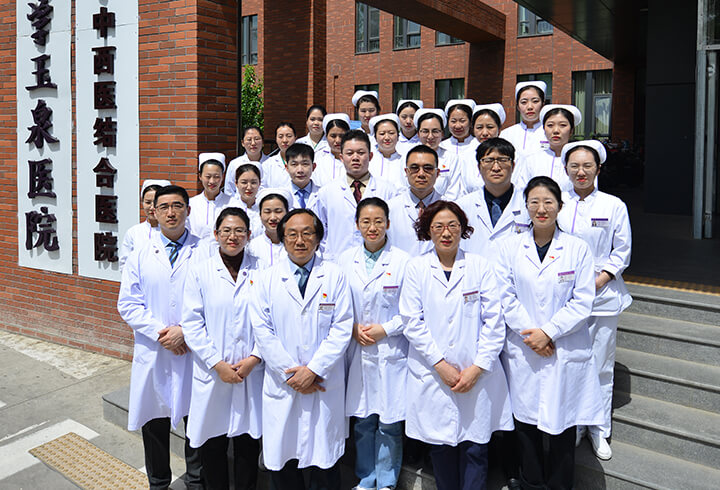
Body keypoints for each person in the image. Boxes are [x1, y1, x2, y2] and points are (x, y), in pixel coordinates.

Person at [495, 176, 604, 490]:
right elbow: (505, 296)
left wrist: (549, 332)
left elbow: (583, 301)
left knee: (562, 424)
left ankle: (560, 485)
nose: (541, 209)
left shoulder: (577, 248)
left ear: (560, 205)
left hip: (562, 346)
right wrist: (533, 336)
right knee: (526, 425)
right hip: (525, 347)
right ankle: (531, 483)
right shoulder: (509, 248)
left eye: (548, 202)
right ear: (526, 206)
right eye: (534, 202)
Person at [400, 200, 513, 490]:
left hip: (476, 372)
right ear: (428, 230)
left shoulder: (480, 266)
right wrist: (440, 365)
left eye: (453, 225)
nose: (446, 232)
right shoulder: (416, 268)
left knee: (476, 447)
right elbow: (412, 321)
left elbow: (494, 320)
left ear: (463, 229)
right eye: (438, 226)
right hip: (433, 373)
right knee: (441, 447)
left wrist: (478, 367)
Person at [250, 209, 353, 490]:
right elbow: (262, 331)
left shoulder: (334, 276)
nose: (300, 240)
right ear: (282, 239)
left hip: (323, 380)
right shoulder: (267, 279)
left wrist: (314, 370)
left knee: (324, 463)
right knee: (284, 462)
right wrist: (292, 374)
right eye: (292, 234)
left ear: (318, 238)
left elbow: (342, 327)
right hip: (284, 383)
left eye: (307, 233)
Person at [117, 184, 204, 490]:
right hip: (154, 350)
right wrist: (162, 334)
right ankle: (158, 483)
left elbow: (214, 300)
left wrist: (185, 332)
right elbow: (128, 304)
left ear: (188, 210)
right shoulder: (140, 254)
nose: (171, 212)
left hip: (193, 350)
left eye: (177, 206)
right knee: (154, 423)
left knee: (197, 423)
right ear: (154, 211)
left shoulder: (205, 251)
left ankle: (196, 482)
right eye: (164, 206)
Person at [557, 140, 632, 460]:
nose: (581, 172)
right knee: (571, 363)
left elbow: (621, 251)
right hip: (563, 296)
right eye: (574, 166)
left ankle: (599, 428)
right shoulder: (558, 202)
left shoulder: (613, 205)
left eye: (587, 166)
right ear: (566, 169)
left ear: (598, 169)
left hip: (602, 296)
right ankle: (576, 424)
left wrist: (597, 281)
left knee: (600, 364)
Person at [182, 207, 263, 490]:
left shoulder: (263, 270)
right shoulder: (200, 272)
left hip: (250, 371)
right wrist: (217, 363)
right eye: (226, 231)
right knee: (213, 443)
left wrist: (255, 358)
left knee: (247, 444)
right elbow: (192, 324)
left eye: (239, 230)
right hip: (213, 372)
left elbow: (271, 320)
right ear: (215, 234)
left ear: (249, 235)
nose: (233, 236)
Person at [339, 198, 410, 490]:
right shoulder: (344, 261)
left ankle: (387, 482)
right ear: (357, 225)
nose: (372, 227)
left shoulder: (404, 261)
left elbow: (412, 311)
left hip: (391, 350)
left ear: (388, 224)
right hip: (357, 349)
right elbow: (337, 306)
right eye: (366, 221)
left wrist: (386, 329)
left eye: (378, 221)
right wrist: (352, 327)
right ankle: (366, 479)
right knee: (363, 421)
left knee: (389, 423)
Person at [315, 130, 397, 261]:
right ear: (341, 157)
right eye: (349, 153)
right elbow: (320, 232)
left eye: (361, 153)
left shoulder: (388, 191)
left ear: (370, 156)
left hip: (379, 260)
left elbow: (393, 230)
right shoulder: (327, 192)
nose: (355, 158)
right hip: (337, 260)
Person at [457, 138, 529, 256]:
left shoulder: (528, 203)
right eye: (489, 160)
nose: (496, 168)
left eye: (503, 160)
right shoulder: (461, 206)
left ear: (513, 166)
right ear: (479, 167)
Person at [387, 145, 443, 257]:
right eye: (414, 168)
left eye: (428, 168)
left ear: (437, 173)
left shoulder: (449, 209)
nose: (421, 174)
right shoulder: (390, 208)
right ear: (406, 172)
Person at [516, 104, 583, 192]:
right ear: (544, 129)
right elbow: (521, 191)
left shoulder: (581, 161)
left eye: (562, 125)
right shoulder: (531, 161)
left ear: (571, 130)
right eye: (550, 125)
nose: (556, 131)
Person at [119, 179, 171, 269]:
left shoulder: (175, 231)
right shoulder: (134, 232)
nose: (152, 207)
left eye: (156, 202)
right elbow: (124, 264)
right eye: (147, 202)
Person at [414, 108, 464, 200]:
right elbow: (404, 188)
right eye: (425, 131)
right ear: (418, 134)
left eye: (435, 131)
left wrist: (438, 207)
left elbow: (453, 191)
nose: (430, 136)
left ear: (442, 134)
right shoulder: (408, 157)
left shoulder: (452, 158)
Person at [462, 104, 506, 193]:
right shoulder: (466, 156)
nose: (485, 133)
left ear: (499, 129)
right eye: (479, 127)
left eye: (490, 127)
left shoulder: (508, 154)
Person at [499, 81, 549, 158]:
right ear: (518, 107)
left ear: (543, 104)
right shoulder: (506, 134)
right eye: (524, 102)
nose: (530, 107)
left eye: (535, 101)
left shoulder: (550, 133)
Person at [188, 153, 231, 240]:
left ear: (223, 176)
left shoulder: (232, 203)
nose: (212, 181)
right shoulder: (191, 204)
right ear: (200, 176)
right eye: (208, 176)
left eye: (216, 177)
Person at [247, 188, 292, 268]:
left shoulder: (295, 244)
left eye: (278, 211)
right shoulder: (253, 246)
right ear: (260, 215)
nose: (273, 217)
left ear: (287, 213)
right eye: (267, 212)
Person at [224, 126, 268, 197]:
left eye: (257, 139)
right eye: (249, 139)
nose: (253, 143)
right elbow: (229, 191)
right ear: (242, 143)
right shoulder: (235, 164)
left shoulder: (271, 163)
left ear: (263, 142)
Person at [368, 113, 405, 190]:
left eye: (391, 133)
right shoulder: (368, 161)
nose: (387, 137)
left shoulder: (404, 161)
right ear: (375, 137)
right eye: (382, 134)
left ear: (398, 136)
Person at [314, 113, 350, 187]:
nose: (338, 140)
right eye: (333, 136)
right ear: (326, 136)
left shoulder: (354, 158)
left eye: (342, 136)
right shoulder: (317, 158)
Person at [228, 162, 263, 238]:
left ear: (259, 183)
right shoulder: (229, 208)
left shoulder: (264, 209)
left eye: (253, 182)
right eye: (244, 182)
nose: (249, 187)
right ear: (236, 183)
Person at [284, 142, 320, 210]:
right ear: (287, 167)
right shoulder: (281, 194)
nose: (300, 170)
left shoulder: (323, 194)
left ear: (313, 167)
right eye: (294, 164)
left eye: (305, 164)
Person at [263, 122, 297, 187]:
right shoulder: (268, 164)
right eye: (280, 136)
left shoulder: (304, 162)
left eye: (289, 136)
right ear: (276, 139)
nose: (285, 140)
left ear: (295, 138)